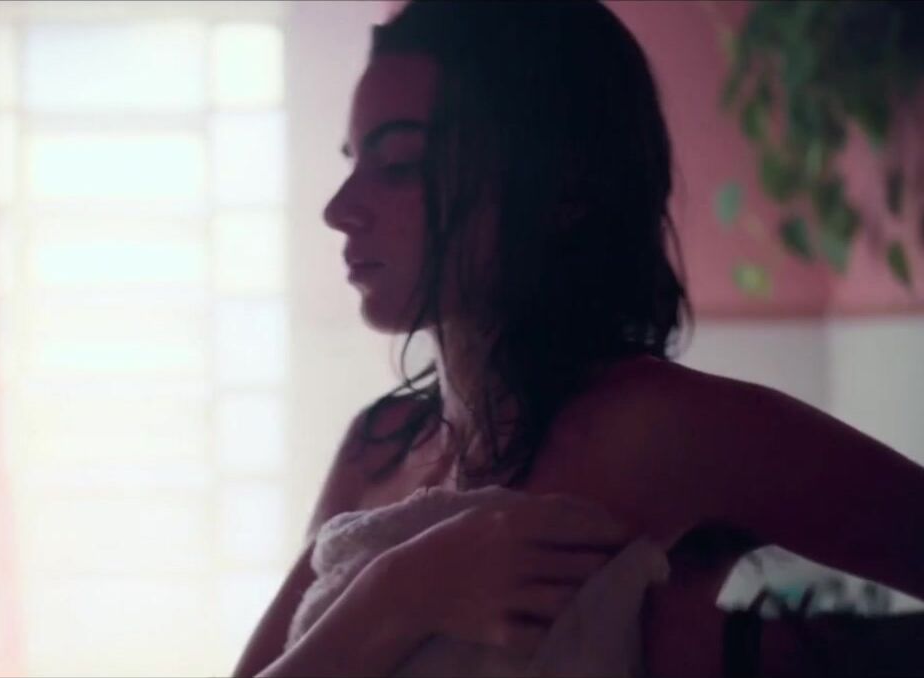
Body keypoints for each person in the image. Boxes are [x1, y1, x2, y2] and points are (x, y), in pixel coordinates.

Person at [231, 1, 924, 677]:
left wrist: (761, 653)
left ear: (564, 188)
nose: (340, 208)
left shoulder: (661, 429)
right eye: (353, 161)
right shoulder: (375, 447)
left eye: (401, 163)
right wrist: (399, 594)